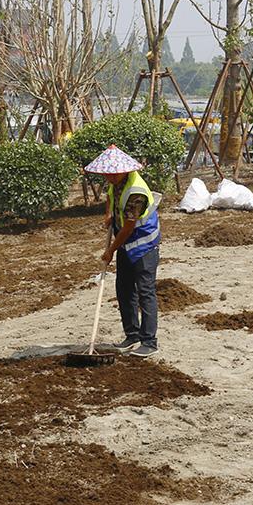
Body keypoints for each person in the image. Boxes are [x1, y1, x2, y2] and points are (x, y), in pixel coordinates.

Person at [84, 145, 161, 358]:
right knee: (124, 289)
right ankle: (132, 334)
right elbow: (110, 198)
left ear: (124, 170)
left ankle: (149, 341)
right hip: (125, 244)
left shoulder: (136, 192)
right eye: (105, 173)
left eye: (111, 173)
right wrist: (108, 214)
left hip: (143, 244)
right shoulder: (116, 183)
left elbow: (128, 227)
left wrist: (110, 250)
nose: (108, 177)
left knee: (145, 292)